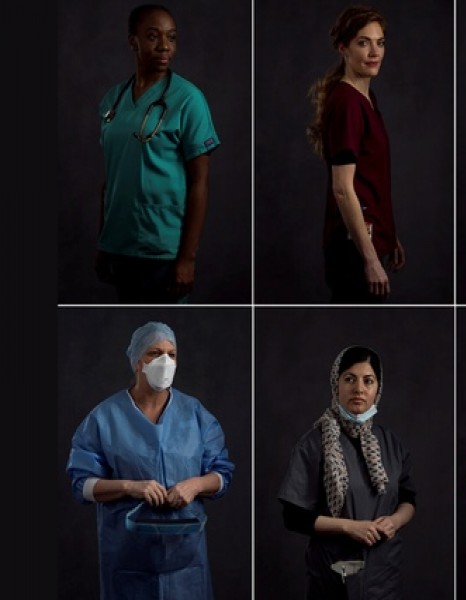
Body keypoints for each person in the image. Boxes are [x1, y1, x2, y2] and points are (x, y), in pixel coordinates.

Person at [66, 321, 235, 599]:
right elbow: (81, 485)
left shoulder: (195, 414)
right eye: (154, 353)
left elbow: (222, 474)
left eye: (172, 354)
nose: (165, 361)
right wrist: (130, 487)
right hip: (128, 560)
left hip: (186, 562)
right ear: (137, 362)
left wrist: (195, 484)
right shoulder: (104, 417)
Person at [94, 4, 220, 303]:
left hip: (163, 249)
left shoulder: (188, 99)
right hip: (119, 246)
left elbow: (199, 184)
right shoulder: (113, 100)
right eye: (152, 36)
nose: (164, 46)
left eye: (171, 37)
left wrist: (187, 259)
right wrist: (103, 242)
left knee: (162, 326)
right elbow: (111, 178)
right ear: (132, 41)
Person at [278, 345, 416, 599]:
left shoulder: (391, 444)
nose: (359, 389)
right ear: (336, 384)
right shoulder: (313, 444)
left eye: (368, 381)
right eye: (349, 379)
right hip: (334, 577)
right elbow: (294, 517)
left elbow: (408, 499)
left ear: (378, 389)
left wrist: (394, 521)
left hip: (382, 577)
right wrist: (348, 527)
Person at [306, 5, 405, 303]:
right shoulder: (347, 103)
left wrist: (389, 235)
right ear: (343, 48)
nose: (374, 51)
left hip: (372, 238)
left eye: (380, 42)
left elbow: (368, 178)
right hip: (353, 248)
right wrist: (371, 259)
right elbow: (343, 188)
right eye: (363, 42)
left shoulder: (366, 97)